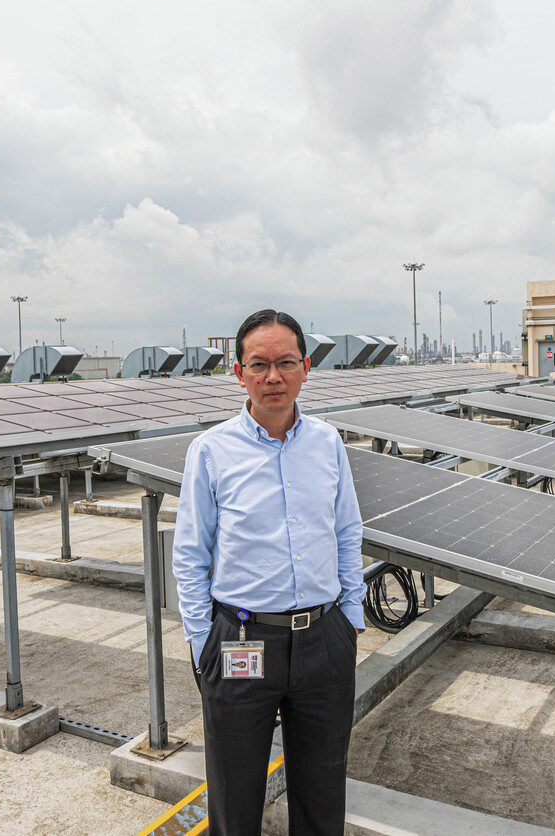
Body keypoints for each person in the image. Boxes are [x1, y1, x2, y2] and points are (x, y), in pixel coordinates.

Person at [172, 309, 366, 836]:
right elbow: (190, 554)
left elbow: (347, 533)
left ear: (305, 368)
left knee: (322, 796)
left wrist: (349, 620)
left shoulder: (327, 444)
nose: (272, 377)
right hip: (240, 640)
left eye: (285, 363)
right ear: (239, 373)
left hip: (324, 640)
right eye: (259, 365)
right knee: (235, 801)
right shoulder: (211, 451)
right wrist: (200, 642)